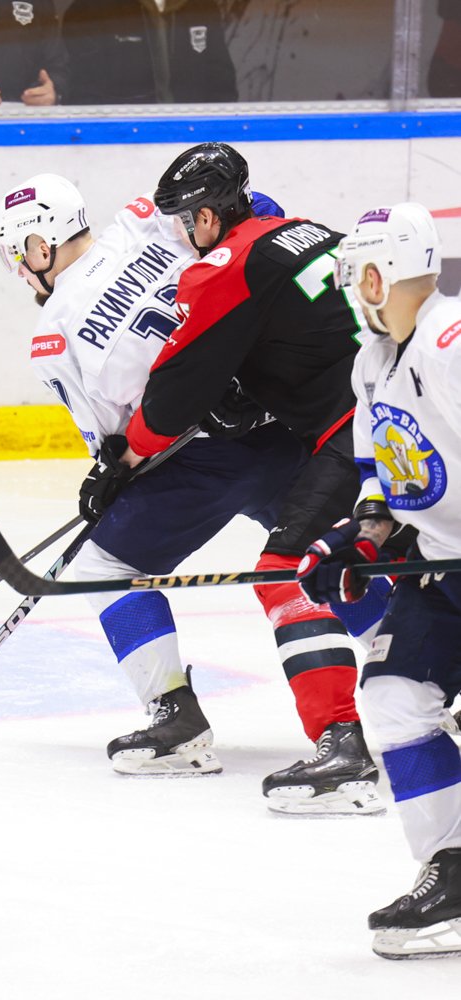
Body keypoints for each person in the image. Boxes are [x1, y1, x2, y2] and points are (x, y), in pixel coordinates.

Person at [0, 172, 316, 780]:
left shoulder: (52, 333)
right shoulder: (146, 218)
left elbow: (117, 441)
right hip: (281, 424)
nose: (20, 270)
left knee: (102, 567)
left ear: (40, 247)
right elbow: (256, 219)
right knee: (341, 556)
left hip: (201, 462)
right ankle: (431, 688)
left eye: (19, 256)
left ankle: (175, 719)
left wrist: (108, 478)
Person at [117, 141, 389, 812]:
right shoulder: (310, 232)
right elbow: (317, 338)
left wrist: (124, 459)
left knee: (286, 571)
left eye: (184, 219)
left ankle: (341, 750)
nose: (183, 233)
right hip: (416, 418)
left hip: (357, 431)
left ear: (207, 218)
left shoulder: (221, 266)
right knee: (414, 559)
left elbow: (172, 396)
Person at [295, 203, 461, 958]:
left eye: (350, 277)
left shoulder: (450, 345)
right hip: (442, 563)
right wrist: (360, 536)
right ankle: (452, 871)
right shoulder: (374, 359)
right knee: (393, 699)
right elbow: (383, 473)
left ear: (374, 275)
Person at [61, 0, 237, 105]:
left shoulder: (201, 6)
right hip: (123, 143)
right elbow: (83, 94)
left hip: (192, 139)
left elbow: (222, 84)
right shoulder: (91, 10)